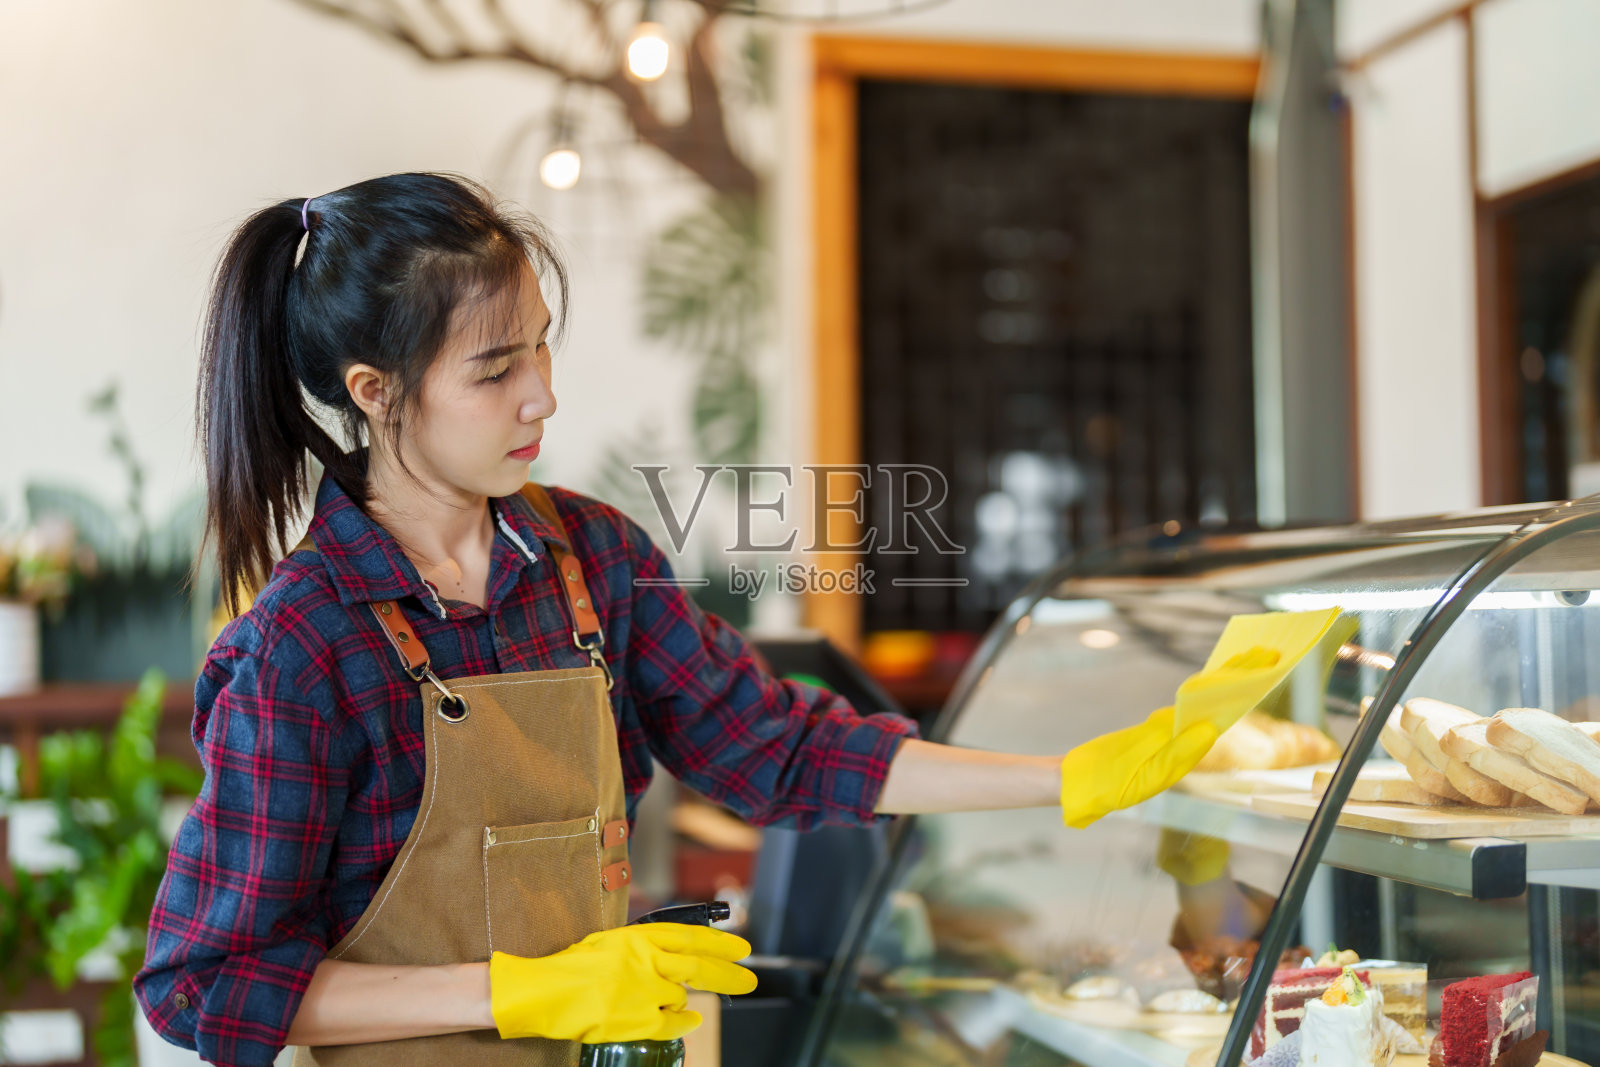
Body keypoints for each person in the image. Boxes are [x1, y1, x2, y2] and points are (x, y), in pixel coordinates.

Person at [133, 172, 1226, 1067]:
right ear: (374, 392)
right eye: (493, 366)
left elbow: (778, 747)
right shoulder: (302, 645)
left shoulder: (588, 558)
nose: (541, 395)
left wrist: (1066, 774)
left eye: (542, 346)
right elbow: (207, 983)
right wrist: (527, 990)